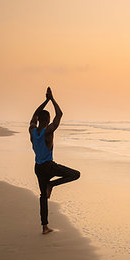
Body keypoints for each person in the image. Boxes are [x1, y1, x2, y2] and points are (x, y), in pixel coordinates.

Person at [29, 87, 80, 234]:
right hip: (49, 166)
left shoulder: (32, 130)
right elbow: (60, 114)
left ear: (38, 119)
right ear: (48, 120)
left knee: (43, 197)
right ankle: (52, 184)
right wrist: (51, 99)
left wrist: (45, 100)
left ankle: (44, 227)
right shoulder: (48, 131)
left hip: (38, 167)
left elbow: (34, 115)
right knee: (75, 174)